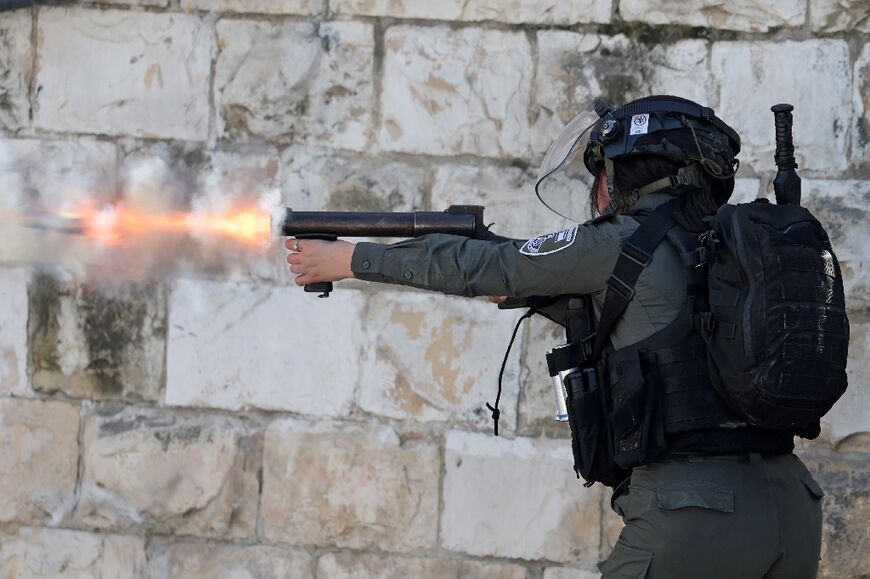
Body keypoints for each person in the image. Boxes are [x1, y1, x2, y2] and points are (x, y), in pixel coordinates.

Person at [285, 95, 825, 578]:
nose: (598, 190)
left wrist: (348, 258)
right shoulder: (736, 250)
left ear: (625, 174)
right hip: (792, 508)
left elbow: (485, 265)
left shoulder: (623, 240)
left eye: (603, 173)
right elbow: (664, 330)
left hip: (692, 516)